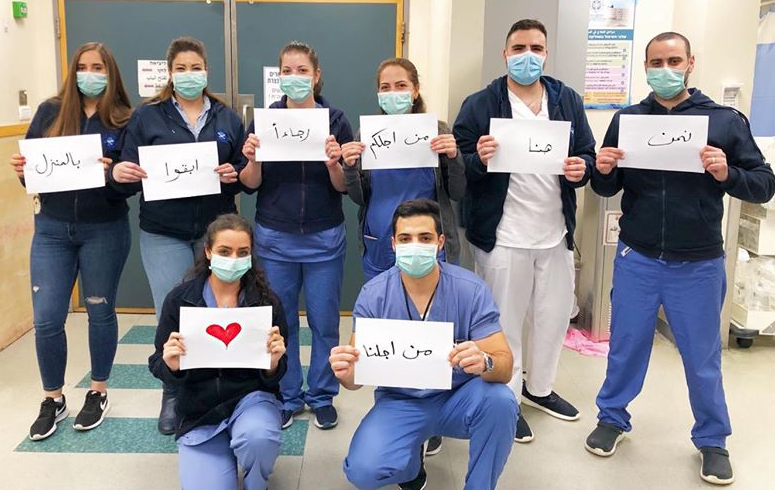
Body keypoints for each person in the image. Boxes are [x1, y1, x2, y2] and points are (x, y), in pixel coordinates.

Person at [586, 31, 775, 485]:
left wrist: (727, 172)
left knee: (702, 355)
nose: (664, 69)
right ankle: (612, 418)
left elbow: (763, 183)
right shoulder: (629, 119)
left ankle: (712, 439)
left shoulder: (724, 120)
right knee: (627, 345)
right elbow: (607, 188)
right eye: (656, 61)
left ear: (690, 63)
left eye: (673, 60)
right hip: (639, 256)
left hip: (698, 262)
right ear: (645, 66)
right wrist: (604, 168)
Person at [453, 18, 595, 443]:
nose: (527, 56)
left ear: (546, 53)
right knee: (504, 323)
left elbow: (585, 152)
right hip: (503, 234)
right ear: (505, 53)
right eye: (519, 48)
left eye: (536, 47)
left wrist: (580, 168)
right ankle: (507, 398)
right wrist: (478, 156)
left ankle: (540, 388)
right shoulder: (481, 103)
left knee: (552, 319)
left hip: (554, 231)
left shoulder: (565, 99)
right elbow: (459, 167)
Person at [109, 36, 246, 434]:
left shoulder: (226, 116)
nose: (189, 75)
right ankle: (174, 392)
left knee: (220, 311)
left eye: (196, 67)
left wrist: (234, 174)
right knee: (173, 313)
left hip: (215, 234)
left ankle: (225, 387)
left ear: (207, 71)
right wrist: (121, 174)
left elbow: (243, 172)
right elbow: (126, 171)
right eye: (181, 68)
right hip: (163, 231)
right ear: (170, 72)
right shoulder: (147, 116)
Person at [330, 199, 517, 490]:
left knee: (501, 401)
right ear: (392, 244)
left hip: (459, 396)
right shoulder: (373, 295)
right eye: (405, 238)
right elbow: (355, 380)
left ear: (440, 243)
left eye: (425, 238)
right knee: (363, 471)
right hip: (400, 401)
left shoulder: (470, 290)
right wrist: (345, 373)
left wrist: (485, 361)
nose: (414, 245)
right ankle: (410, 465)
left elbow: (504, 366)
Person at [10, 42, 133, 440]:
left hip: (105, 229)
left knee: (100, 311)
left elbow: (128, 187)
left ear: (110, 72)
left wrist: (112, 174)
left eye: (98, 66)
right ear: (73, 71)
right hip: (51, 230)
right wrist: (21, 171)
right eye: (83, 66)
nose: (90, 73)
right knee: (47, 317)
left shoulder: (125, 119)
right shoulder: (50, 111)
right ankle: (53, 398)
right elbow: (33, 173)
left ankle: (98, 391)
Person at [241, 41, 352, 431]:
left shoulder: (335, 120)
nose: (295, 78)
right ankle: (286, 396)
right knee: (280, 321)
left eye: (302, 70)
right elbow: (249, 184)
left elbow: (343, 187)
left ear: (316, 76)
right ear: (279, 77)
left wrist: (335, 164)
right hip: (275, 238)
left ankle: (321, 396)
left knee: (324, 321)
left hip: (324, 238)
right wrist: (252, 159)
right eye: (287, 71)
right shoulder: (265, 121)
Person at [149, 214, 287, 490]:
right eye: (225, 251)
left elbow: (278, 374)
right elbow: (157, 363)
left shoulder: (266, 302)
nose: (234, 259)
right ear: (209, 252)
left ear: (251, 256)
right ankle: (219, 448)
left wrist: (273, 364)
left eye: (242, 252)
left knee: (258, 438)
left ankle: (256, 481)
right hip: (199, 409)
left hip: (251, 399)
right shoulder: (180, 300)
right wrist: (172, 365)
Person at [342, 57, 466, 283]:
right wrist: (349, 168)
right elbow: (359, 198)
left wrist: (454, 156)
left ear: (415, 90)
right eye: (385, 87)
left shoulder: (437, 131)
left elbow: (457, 192)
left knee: (433, 311)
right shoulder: (367, 135)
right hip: (380, 243)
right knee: (383, 311)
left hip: (428, 246)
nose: (393, 93)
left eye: (401, 86)